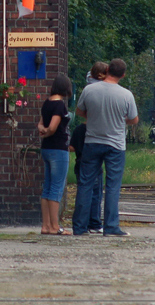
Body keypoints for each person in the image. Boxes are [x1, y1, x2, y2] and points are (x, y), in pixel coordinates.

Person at [72, 58, 138, 237]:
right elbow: (134, 119)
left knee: (85, 184)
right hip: (115, 145)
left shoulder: (89, 90)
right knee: (112, 186)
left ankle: (79, 227)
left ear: (107, 69)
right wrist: (120, 120)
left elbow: (79, 111)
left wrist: (94, 116)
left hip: (92, 142)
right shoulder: (126, 95)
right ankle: (111, 227)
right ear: (123, 75)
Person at [69, 61, 109, 234]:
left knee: (84, 189)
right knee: (96, 191)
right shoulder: (109, 89)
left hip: (81, 161)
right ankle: (95, 222)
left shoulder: (79, 129)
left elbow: (71, 147)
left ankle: (80, 225)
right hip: (97, 146)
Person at [37, 74, 73, 235]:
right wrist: (47, 131)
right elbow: (52, 127)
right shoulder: (59, 105)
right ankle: (54, 226)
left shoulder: (47, 103)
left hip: (46, 148)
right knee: (56, 188)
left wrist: (43, 131)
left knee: (47, 187)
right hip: (58, 149)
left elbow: (40, 124)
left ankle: (45, 226)